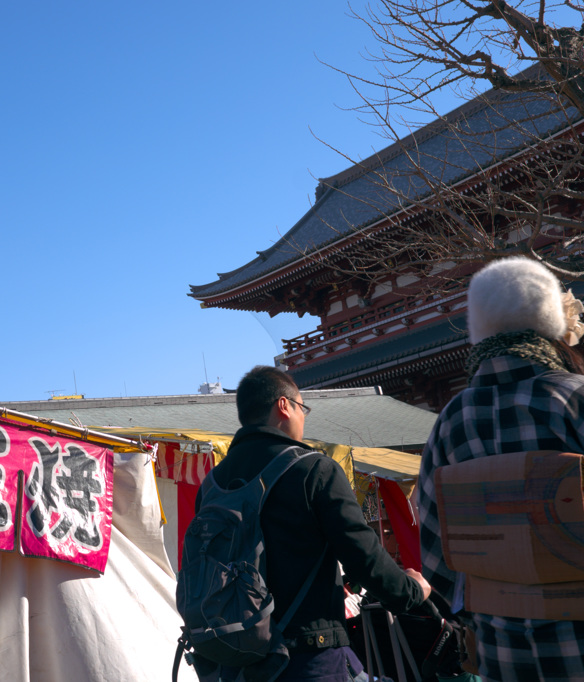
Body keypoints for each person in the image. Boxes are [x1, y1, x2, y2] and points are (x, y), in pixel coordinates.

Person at [194, 365, 430, 682]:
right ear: (284, 406)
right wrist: (413, 590)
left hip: (234, 659)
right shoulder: (313, 469)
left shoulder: (211, 485)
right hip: (306, 656)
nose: (304, 417)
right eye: (302, 407)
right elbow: (366, 558)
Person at [419, 256, 584, 681]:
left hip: (501, 651)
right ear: (549, 321)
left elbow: (437, 554)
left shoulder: (450, 421)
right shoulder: (574, 399)